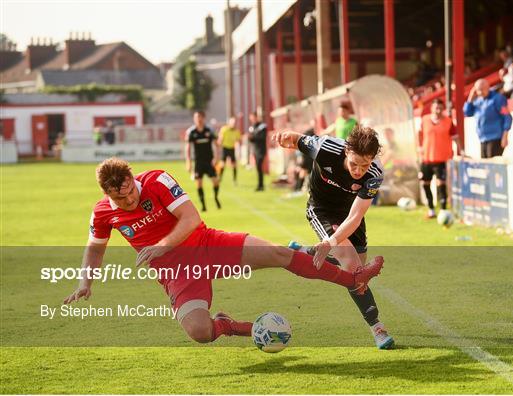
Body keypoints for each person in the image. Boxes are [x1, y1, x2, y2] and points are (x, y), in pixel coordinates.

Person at [63, 157, 384, 344]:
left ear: (133, 179)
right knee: (200, 333)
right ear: (107, 195)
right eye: (121, 200)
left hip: (208, 245)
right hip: (177, 273)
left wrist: (161, 246)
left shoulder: (158, 180)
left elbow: (191, 219)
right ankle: (227, 325)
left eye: (131, 193)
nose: (129, 201)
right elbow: (95, 249)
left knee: (278, 254)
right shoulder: (103, 212)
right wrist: (85, 283)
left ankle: (352, 280)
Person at [273, 126, 394, 350]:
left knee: (353, 269)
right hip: (321, 210)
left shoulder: (374, 174)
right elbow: (296, 139)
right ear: (346, 151)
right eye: (354, 163)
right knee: (354, 268)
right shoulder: (325, 148)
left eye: (364, 165)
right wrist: (285, 138)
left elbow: (356, 216)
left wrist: (330, 243)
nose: (358, 170)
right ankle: (377, 327)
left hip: (349, 215)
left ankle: (304, 254)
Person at [418, 99, 462, 218]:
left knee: (441, 184)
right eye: (436, 108)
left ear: (443, 109)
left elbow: (455, 137)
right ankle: (431, 209)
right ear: (431, 108)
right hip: (426, 158)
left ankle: (443, 210)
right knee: (425, 183)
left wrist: (461, 151)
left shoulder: (448, 121)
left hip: (442, 159)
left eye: (440, 108)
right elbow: (420, 134)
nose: (437, 110)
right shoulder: (425, 120)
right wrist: (420, 148)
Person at [463, 79, 513, 158]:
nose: (480, 92)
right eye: (478, 90)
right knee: (486, 166)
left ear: (488, 87)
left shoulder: (497, 98)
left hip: (496, 137)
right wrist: (470, 98)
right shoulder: (477, 101)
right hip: (483, 138)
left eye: (483, 89)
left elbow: (507, 117)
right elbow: (467, 113)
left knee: (494, 165)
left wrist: (505, 136)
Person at [185, 110, 221, 211]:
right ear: (194, 119)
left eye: (200, 117)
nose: (198, 119)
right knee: (199, 183)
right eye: (196, 118)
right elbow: (187, 147)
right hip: (198, 162)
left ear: (203, 118)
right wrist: (188, 162)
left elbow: (216, 145)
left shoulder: (209, 130)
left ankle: (216, 197)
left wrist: (216, 158)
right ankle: (203, 205)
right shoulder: (191, 132)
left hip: (209, 161)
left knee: (215, 181)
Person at [218, 116, 242, 185]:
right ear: (229, 123)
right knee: (222, 164)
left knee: (234, 165)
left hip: (232, 148)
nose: (233, 124)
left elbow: (238, 141)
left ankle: (234, 180)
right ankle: (220, 178)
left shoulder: (237, 131)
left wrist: (239, 149)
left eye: (234, 123)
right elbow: (220, 139)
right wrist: (219, 142)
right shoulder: (224, 129)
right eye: (232, 122)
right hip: (225, 148)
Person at [247, 112, 267, 191]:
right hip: (255, 150)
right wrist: (250, 138)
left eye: (253, 117)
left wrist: (253, 137)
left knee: (259, 166)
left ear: (256, 117)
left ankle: (261, 185)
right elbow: (251, 139)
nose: (252, 119)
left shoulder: (262, 127)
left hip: (261, 150)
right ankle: (260, 185)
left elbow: (262, 137)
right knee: (258, 168)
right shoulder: (252, 127)